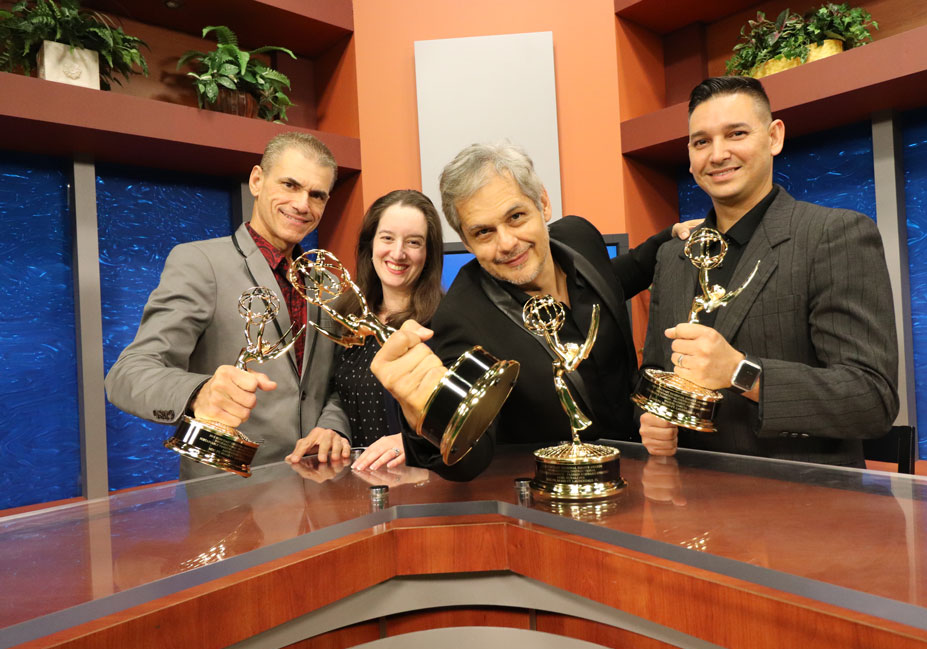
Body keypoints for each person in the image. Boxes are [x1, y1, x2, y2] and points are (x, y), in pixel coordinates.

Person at [371, 141, 686, 481]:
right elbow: (469, 458)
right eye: (483, 232)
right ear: (466, 241)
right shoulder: (462, 316)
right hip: (555, 497)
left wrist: (673, 238)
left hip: (647, 475)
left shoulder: (579, 237)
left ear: (544, 203)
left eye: (516, 217)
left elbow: (613, 278)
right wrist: (425, 413)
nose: (507, 243)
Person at [639, 76, 899, 466]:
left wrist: (741, 372)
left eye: (736, 134)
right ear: (690, 155)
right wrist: (653, 418)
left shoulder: (833, 235)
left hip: (801, 494)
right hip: (689, 491)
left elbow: (871, 399)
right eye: (702, 142)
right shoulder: (673, 257)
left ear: (774, 137)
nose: (718, 154)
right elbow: (655, 372)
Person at [105, 132, 352, 479]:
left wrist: (334, 426)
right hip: (230, 493)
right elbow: (126, 375)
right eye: (290, 185)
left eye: (317, 195)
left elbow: (338, 382)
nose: (302, 204)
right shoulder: (199, 262)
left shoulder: (326, 285)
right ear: (257, 180)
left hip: (318, 484)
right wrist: (199, 392)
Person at [284, 189, 444, 472]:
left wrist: (414, 444)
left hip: (420, 478)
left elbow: (464, 420)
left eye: (413, 242)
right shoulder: (344, 316)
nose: (398, 253)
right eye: (387, 238)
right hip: (357, 481)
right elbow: (337, 392)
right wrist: (332, 429)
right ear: (370, 245)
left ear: (428, 254)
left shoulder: (444, 324)